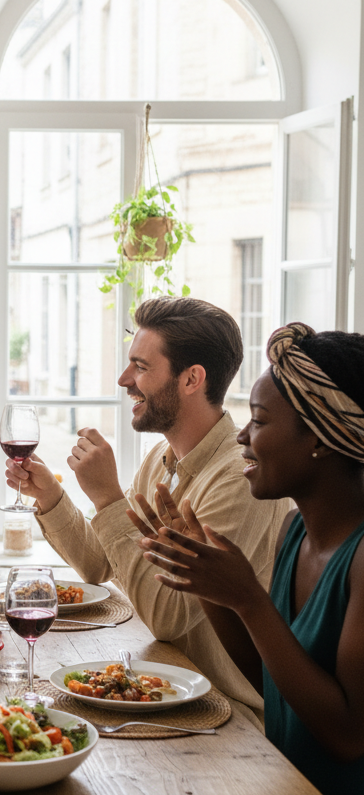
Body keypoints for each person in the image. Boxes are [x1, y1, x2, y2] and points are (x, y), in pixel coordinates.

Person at [4, 296, 291, 716]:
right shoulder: (160, 457)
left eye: (140, 367)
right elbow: (101, 565)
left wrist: (107, 498)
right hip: (165, 684)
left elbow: (167, 617)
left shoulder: (238, 478)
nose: (123, 380)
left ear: (192, 379)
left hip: (226, 710)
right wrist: (50, 497)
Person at [137, 323, 364, 794]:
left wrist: (249, 601)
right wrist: (206, 584)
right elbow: (273, 685)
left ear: (321, 438)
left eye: (259, 420)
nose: (241, 434)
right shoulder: (294, 532)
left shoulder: (361, 558)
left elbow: (347, 737)